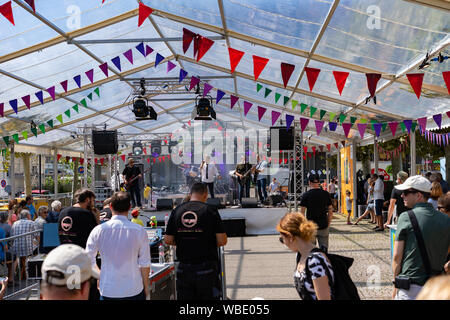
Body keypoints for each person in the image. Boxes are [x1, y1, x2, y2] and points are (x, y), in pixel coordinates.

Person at [165, 182, 227, 300]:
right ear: (205, 194)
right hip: (207, 268)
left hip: (184, 268)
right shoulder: (210, 210)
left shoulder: (177, 211)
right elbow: (222, 240)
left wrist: (183, 240)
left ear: (190, 193)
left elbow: (168, 240)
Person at [392, 175, 450, 300]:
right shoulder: (446, 219)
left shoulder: (406, 217)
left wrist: (396, 285)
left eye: (406, 192)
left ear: (418, 195)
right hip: (436, 288)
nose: (402, 195)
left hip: (411, 286)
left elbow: (397, 257)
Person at [86, 191, 151, 300]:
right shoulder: (140, 231)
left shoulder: (98, 230)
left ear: (110, 206)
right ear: (130, 207)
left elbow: (88, 259)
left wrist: (100, 276)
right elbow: (145, 263)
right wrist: (146, 286)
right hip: (134, 288)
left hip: (108, 289)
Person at [277, 212, 334, 300]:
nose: (283, 243)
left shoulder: (315, 261)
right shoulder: (301, 255)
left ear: (290, 237)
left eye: (282, 239)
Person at [299, 174, 333, 252]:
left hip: (310, 227)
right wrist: (328, 222)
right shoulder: (325, 194)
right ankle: (323, 263)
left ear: (309, 182)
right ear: (319, 182)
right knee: (324, 250)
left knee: (311, 251)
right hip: (323, 225)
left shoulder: (306, 195)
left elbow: (302, 213)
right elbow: (330, 211)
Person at [11, 210, 39, 281]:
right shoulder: (32, 223)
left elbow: (12, 237)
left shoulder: (15, 223)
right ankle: (32, 268)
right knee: (37, 245)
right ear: (28, 216)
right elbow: (37, 237)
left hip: (16, 248)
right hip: (27, 249)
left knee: (32, 243)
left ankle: (22, 271)